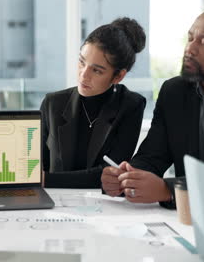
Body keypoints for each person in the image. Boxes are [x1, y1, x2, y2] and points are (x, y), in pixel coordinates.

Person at [101, 9, 204, 211]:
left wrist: (169, 190)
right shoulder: (174, 92)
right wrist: (127, 178)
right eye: (190, 38)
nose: (190, 48)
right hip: (188, 218)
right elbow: (153, 156)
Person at [41, 17, 146, 188]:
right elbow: (35, 169)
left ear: (118, 76)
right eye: (82, 62)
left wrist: (48, 180)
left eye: (96, 70)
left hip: (104, 207)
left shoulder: (131, 106)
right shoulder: (53, 104)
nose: (83, 75)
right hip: (55, 203)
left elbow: (110, 175)